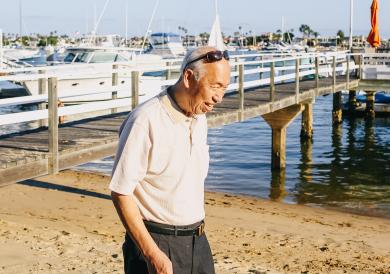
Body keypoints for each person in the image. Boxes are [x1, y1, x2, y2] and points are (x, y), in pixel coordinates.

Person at [109, 46, 231, 274]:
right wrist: (152, 254)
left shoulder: (200, 116)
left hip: (198, 241)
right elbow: (120, 192)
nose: (219, 97)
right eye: (214, 86)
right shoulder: (145, 120)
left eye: (224, 88)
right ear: (188, 77)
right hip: (157, 243)